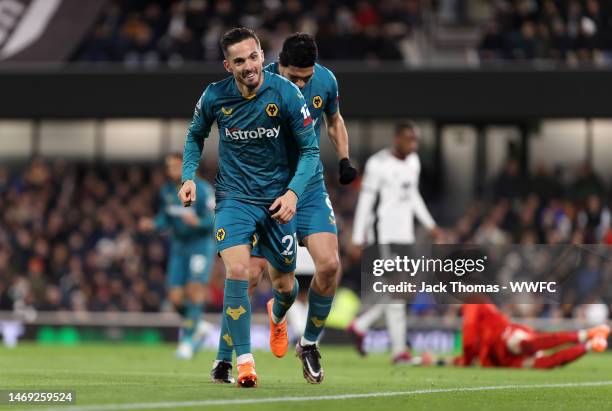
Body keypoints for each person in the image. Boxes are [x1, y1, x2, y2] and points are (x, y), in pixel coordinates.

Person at [213, 32, 358, 385]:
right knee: (249, 276)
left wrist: (343, 158)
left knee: (329, 265)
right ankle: (225, 358)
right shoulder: (263, 82)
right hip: (267, 192)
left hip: (307, 188)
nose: (301, 84)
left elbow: (334, 120)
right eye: (294, 77)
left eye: (306, 78)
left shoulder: (326, 81)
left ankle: (308, 344)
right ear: (278, 65)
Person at [179, 27, 319, 388]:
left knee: (285, 285)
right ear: (228, 65)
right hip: (234, 199)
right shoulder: (214, 97)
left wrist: (292, 194)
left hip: (277, 203)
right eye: (239, 61)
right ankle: (242, 362)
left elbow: (310, 150)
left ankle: (278, 314)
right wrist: (188, 176)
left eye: (253, 57)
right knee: (239, 272)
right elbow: (195, 135)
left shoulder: (286, 93)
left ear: (261, 55)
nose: (249, 66)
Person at [348, 120, 443, 363]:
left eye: (416, 140)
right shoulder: (377, 164)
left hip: (405, 235)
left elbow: (413, 195)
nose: (415, 145)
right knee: (400, 289)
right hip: (385, 235)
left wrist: (430, 224)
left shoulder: (413, 161)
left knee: (403, 291)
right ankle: (394, 347)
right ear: (398, 139)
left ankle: (368, 329)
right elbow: (367, 202)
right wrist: (359, 237)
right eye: (411, 140)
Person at [139, 153, 215, 360]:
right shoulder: (167, 192)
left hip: (200, 246)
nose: (171, 170)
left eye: (175, 165)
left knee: (194, 290)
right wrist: (153, 224)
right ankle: (198, 325)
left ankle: (189, 340)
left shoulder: (204, 189)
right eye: (169, 166)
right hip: (179, 248)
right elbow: (166, 219)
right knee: (174, 298)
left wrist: (198, 223)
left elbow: (213, 219)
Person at [451, 304, 609, 368]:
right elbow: (468, 355)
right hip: (504, 360)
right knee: (544, 364)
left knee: (528, 344)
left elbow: (469, 341)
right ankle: (590, 345)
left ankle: (586, 334)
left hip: (503, 338)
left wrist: (466, 359)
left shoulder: (472, 304)